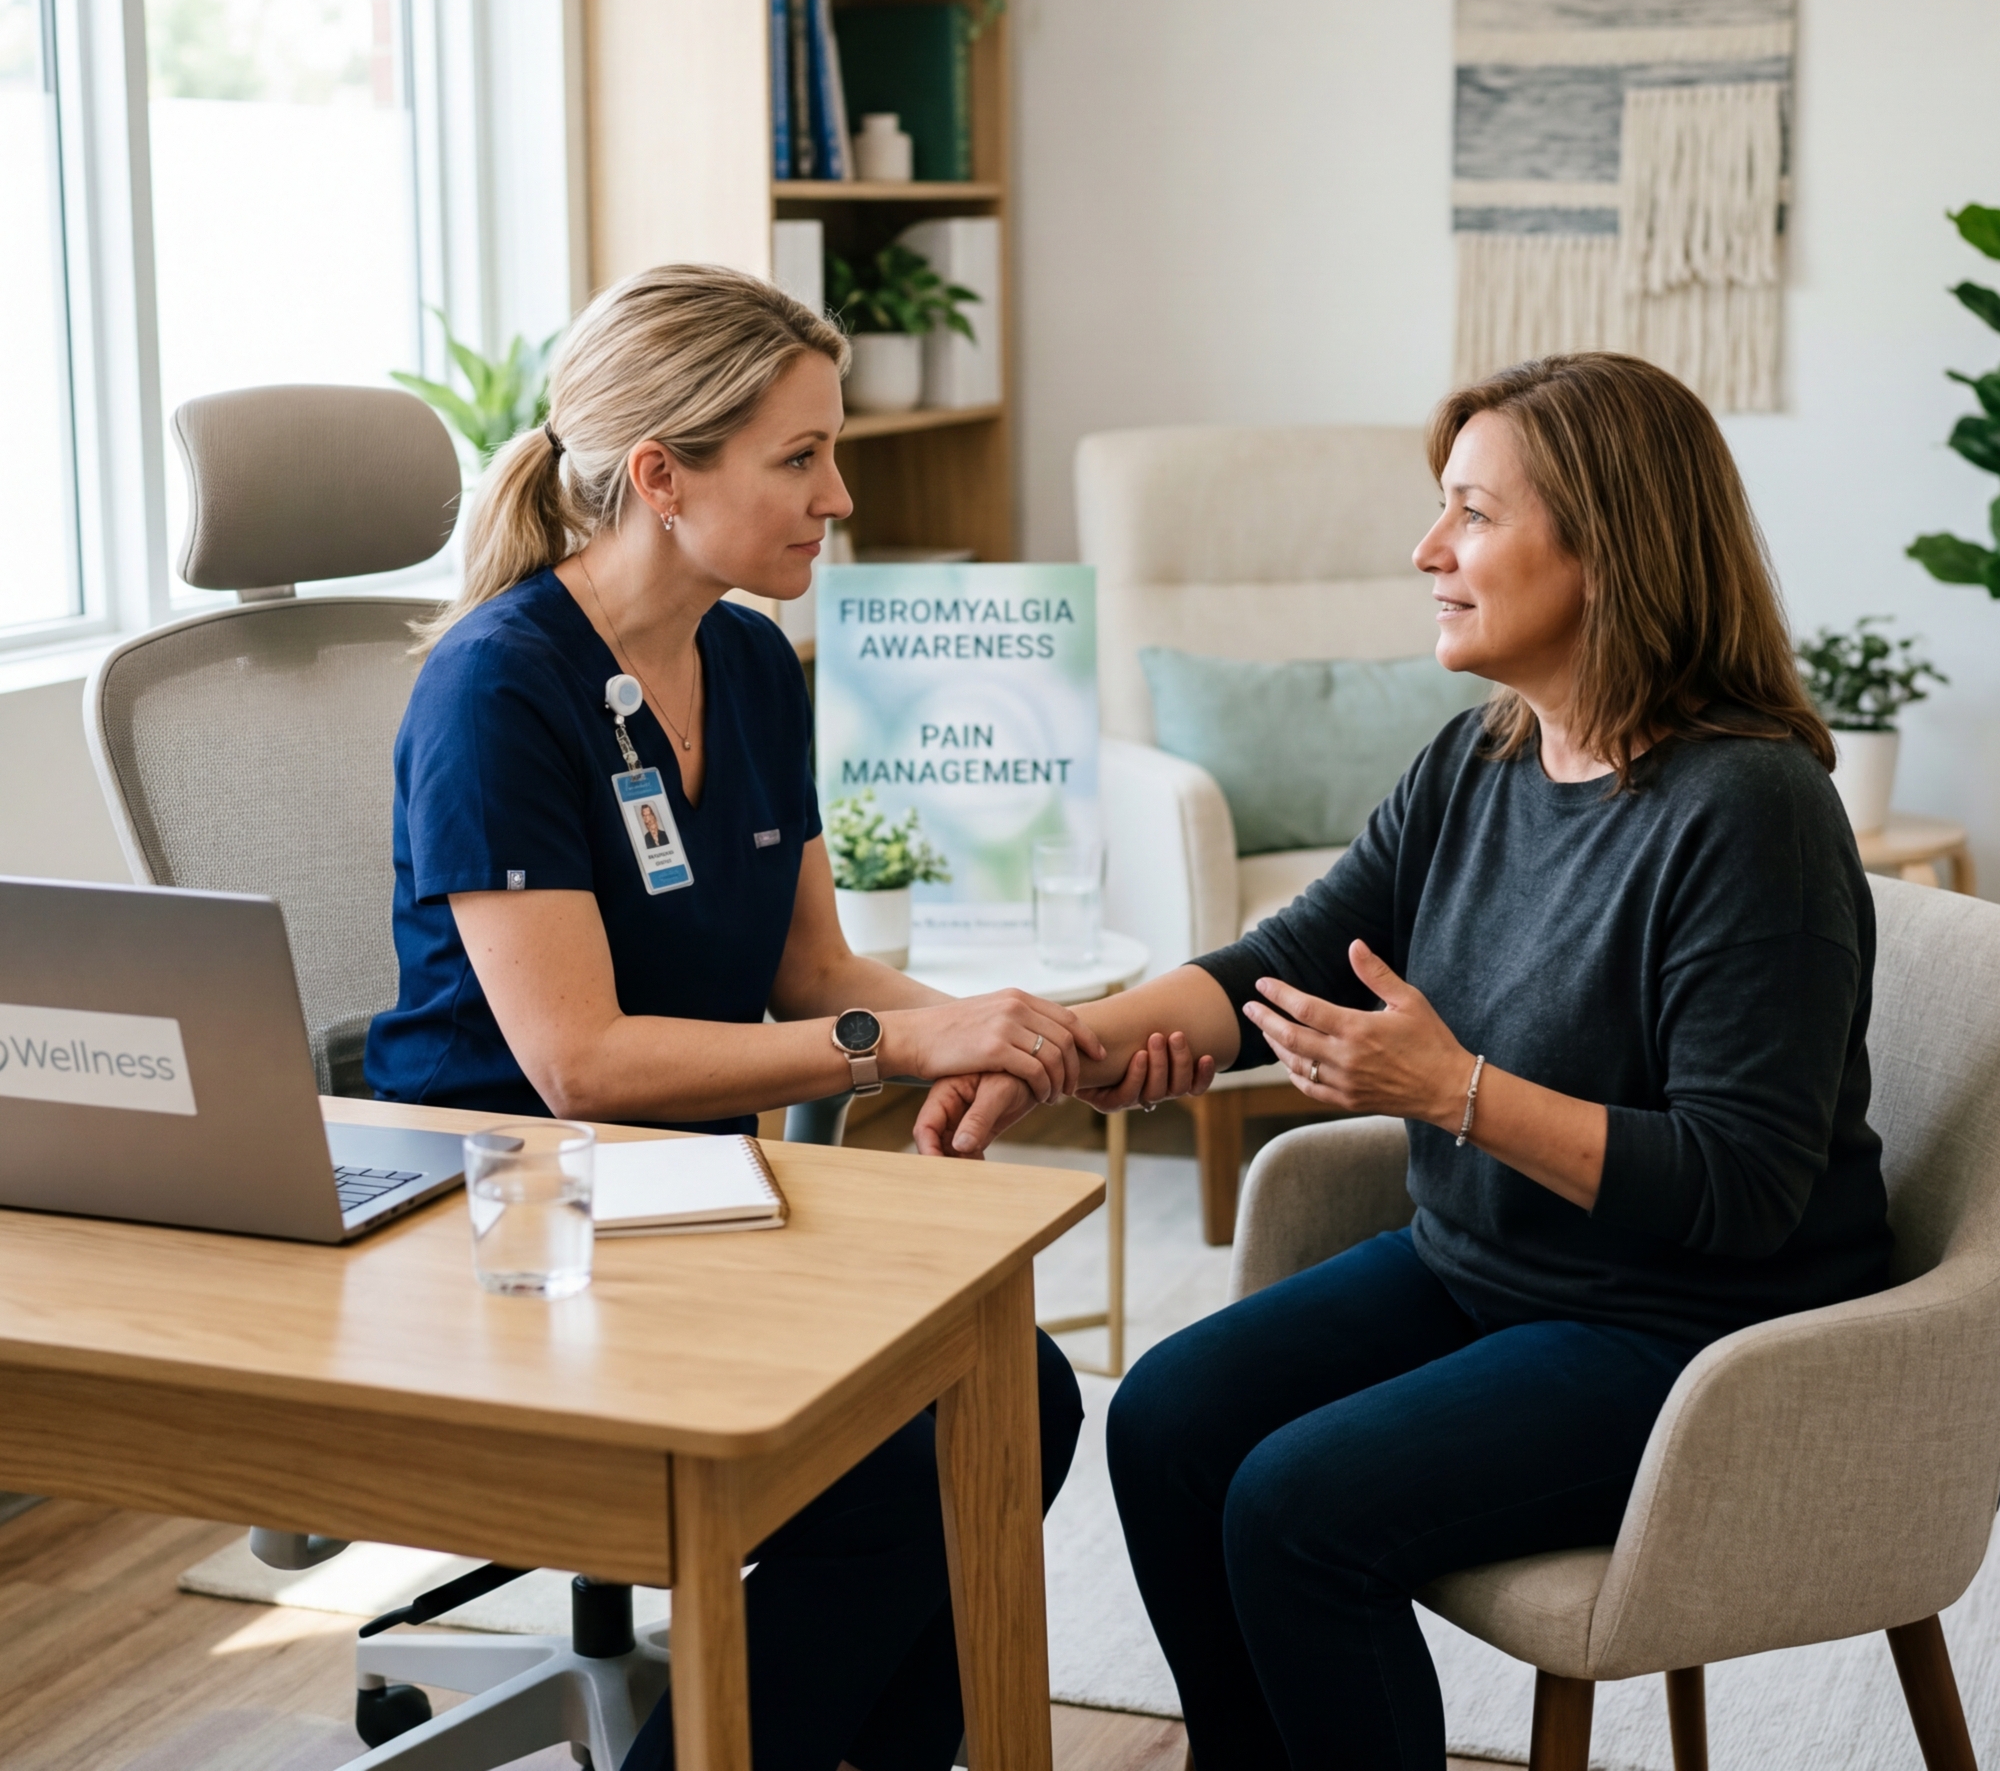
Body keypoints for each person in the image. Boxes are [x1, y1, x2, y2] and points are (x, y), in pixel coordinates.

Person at [913, 352, 1893, 1770]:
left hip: (1695, 1334)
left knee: (1295, 1508)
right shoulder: (1478, 761)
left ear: (1609, 550)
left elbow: (1742, 1185)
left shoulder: (1750, 810)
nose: (1428, 551)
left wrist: (1454, 1093)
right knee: (1169, 1419)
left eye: (1473, 515)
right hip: (1487, 1272)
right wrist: (1053, 1053)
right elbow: (1282, 962)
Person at [365, 263, 1182, 1771]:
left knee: (1014, 1395)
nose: (839, 497)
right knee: (917, 1455)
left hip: (681, 1194)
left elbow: (815, 973)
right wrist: (901, 1046)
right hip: (508, 1222)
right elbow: (578, 1064)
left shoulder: (747, 658)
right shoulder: (499, 691)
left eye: (833, 451)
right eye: (800, 457)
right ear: (661, 478)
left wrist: (1016, 1034)